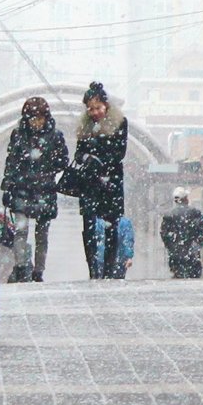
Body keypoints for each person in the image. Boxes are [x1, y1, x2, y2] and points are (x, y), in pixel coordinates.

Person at [0, 96, 69, 283]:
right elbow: (11, 161)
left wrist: (47, 167)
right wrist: (8, 184)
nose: (36, 123)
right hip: (24, 187)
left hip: (43, 189)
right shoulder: (19, 135)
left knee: (42, 233)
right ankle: (22, 266)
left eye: (39, 118)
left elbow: (63, 160)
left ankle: (38, 270)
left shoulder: (55, 136)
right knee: (21, 229)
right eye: (32, 119)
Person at [74, 81, 128, 280]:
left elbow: (119, 152)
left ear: (106, 106)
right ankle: (93, 269)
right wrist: (86, 158)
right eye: (90, 109)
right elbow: (78, 153)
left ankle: (109, 269)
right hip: (89, 183)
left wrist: (99, 158)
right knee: (88, 226)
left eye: (97, 108)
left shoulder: (120, 122)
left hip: (110, 181)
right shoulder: (84, 127)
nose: (94, 112)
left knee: (111, 226)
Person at [160, 186, 203, 278]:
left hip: (175, 254)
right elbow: (202, 231)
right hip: (192, 253)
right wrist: (197, 244)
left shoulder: (169, 215)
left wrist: (171, 246)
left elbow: (164, 234)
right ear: (186, 199)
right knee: (193, 278)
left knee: (178, 277)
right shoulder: (195, 213)